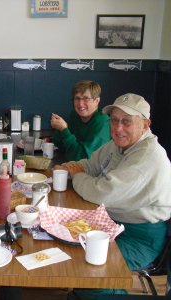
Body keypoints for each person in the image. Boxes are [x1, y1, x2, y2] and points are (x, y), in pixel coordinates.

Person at [55, 93, 171, 300]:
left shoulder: (148, 157)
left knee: (88, 267)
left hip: (140, 238)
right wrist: (74, 167)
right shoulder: (119, 144)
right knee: (63, 241)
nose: (118, 128)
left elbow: (102, 192)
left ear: (145, 124)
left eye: (127, 122)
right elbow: (91, 164)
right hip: (114, 223)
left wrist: (77, 174)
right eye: (115, 120)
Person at [51, 80, 111, 161]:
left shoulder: (103, 122)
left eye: (86, 99)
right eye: (77, 98)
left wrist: (64, 130)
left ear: (97, 101)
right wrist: (59, 129)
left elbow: (83, 158)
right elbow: (61, 146)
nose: (80, 104)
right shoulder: (75, 115)